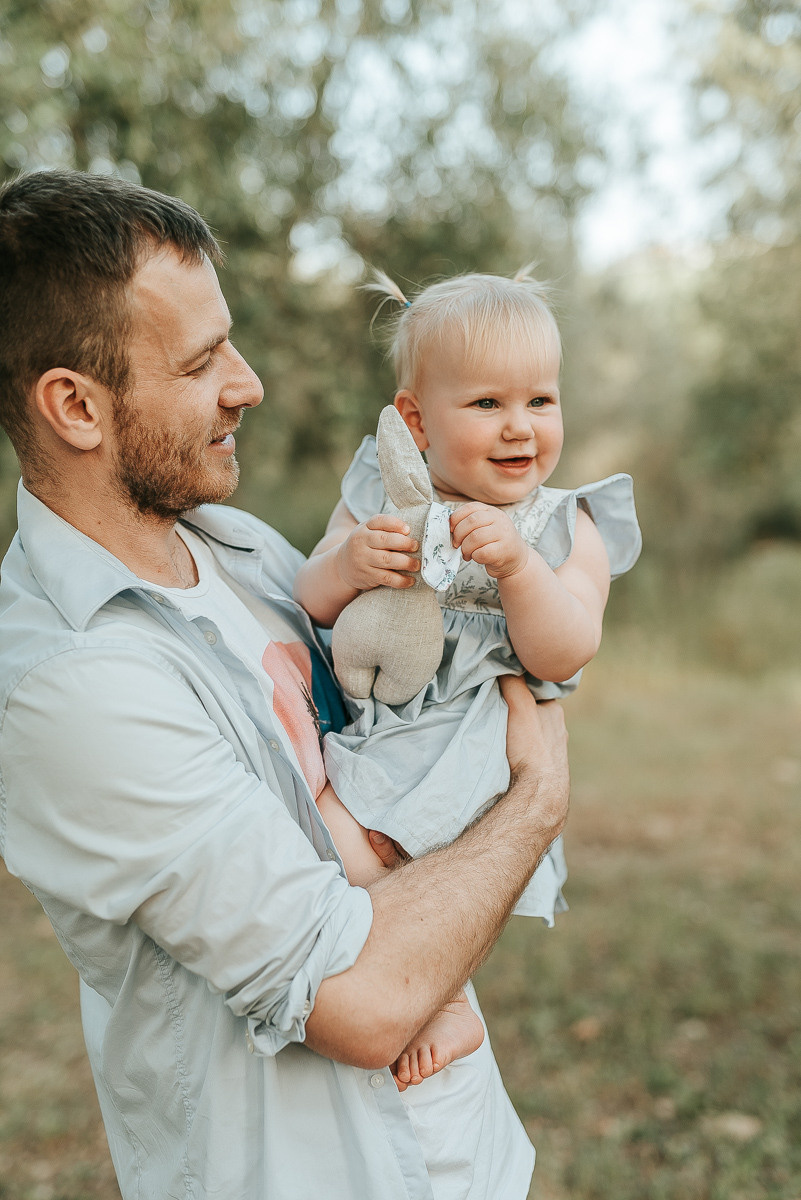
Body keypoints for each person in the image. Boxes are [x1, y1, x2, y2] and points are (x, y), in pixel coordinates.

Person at [0, 169, 570, 1200]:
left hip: (463, 1156)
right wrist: (536, 800)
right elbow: (357, 1002)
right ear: (74, 405)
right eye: (201, 359)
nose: (248, 382)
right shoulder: (71, 684)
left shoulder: (242, 549)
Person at [294, 268, 641, 1087]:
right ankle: (438, 993)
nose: (519, 427)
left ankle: (442, 1000)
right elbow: (309, 595)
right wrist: (348, 563)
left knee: (360, 854)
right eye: (487, 404)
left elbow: (566, 649)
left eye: (540, 401)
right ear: (414, 419)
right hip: (380, 725)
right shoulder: (382, 490)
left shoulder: (564, 522)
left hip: (474, 741)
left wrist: (520, 570)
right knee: (324, 843)